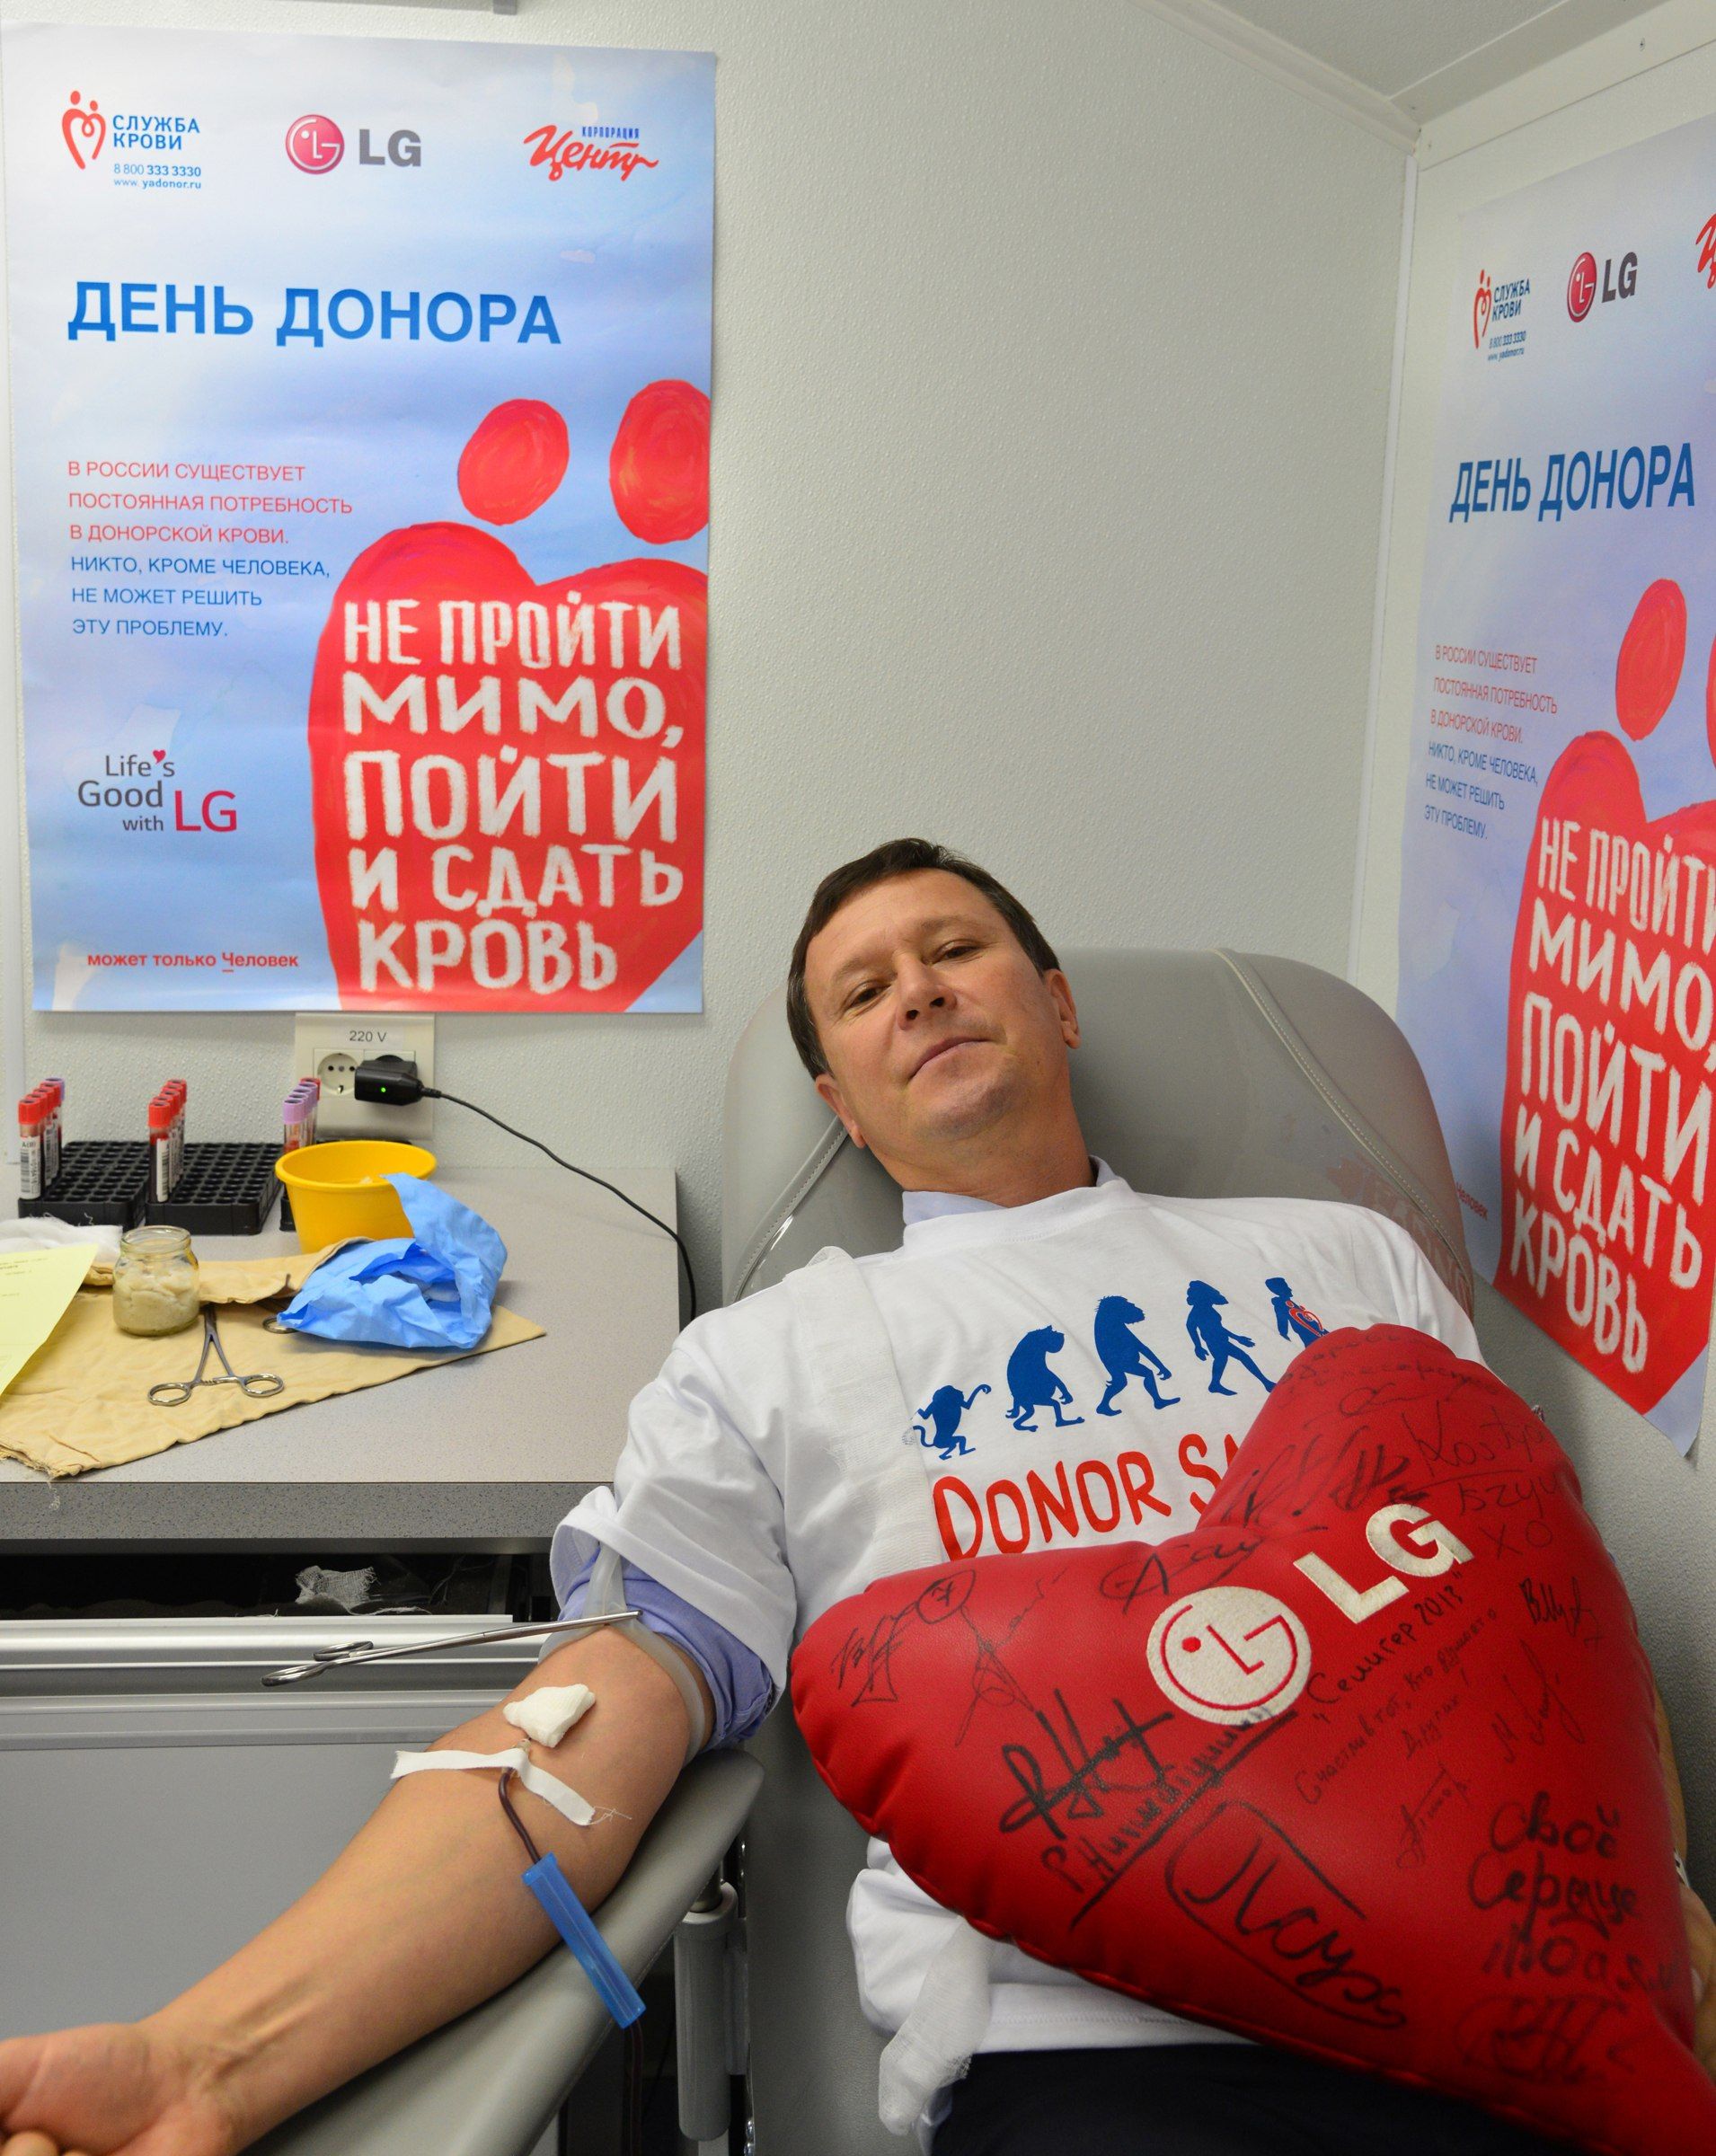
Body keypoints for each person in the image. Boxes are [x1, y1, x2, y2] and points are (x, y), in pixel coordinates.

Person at [2, 839, 1712, 2156]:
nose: (918, 992)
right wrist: (201, 2064)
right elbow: (592, 1715)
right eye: (862, 990)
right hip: (1096, 2047)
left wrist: (1656, 1908)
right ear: (836, 1098)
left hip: (1514, 1978)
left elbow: (1533, 1600)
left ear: (1055, 1004)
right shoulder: (771, 1359)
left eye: (955, 949)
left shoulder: (1340, 1257)